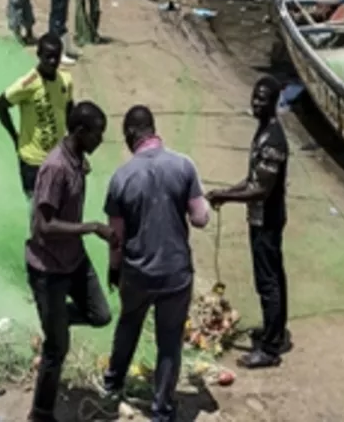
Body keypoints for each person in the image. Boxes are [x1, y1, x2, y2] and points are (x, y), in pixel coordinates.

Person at [102, 105, 209, 421]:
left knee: (128, 325)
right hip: (175, 273)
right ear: (152, 130)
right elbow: (200, 218)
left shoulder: (121, 177)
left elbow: (116, 235)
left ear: (132, 135)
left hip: (137, 272)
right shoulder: (184, 166)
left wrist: (114, 268)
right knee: (169, 341)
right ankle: (162, 408)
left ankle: (112, 384)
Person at [26, 101, 113, 422]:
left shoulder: (77, 160)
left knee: (101, 314)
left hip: (74, 260)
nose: (100, 140)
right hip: (48, 268)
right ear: (80, 132)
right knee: (56, 350)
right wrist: (91, 227)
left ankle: (56, 320)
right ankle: (40, 413)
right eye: (97, 134)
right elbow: (43, 226)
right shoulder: (56, 168)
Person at [206, 77, 290, 368]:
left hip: (266, 219)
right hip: (260, 217)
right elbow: (253, 179)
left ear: (275, 102)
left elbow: (262, 190)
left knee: (268, 282)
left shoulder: (275, 140)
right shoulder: (263, 132)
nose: (256, 103)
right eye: (254, 97)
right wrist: (226, 191)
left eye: (263, 99)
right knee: (273, 276)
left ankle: (269, 349)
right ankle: (274, 332)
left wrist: (228, 198)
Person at [0, 33, 75, 196]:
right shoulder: (27, 84)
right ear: (38, 55)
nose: (53, 62)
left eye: (56, 57)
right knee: (36, 209)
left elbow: (69, 109)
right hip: (32, 161)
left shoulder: (66, 80)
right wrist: (14, 136)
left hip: (57, 157)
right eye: (48, 57)